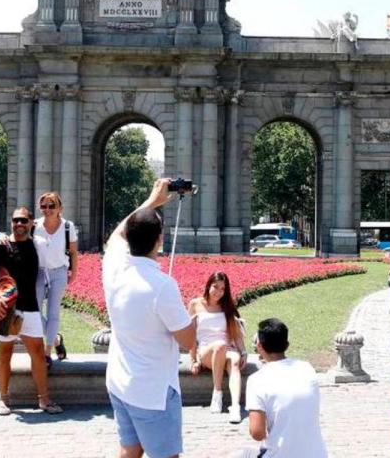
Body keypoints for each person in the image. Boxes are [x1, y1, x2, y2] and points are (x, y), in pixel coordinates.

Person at [104, 178, 197, 458]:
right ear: (160, 239)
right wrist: (195, 312)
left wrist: (151, 201)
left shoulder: (114, 266)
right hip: (152, 391)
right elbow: (187, 339)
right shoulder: (162, 286)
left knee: (130, 449)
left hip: (120, 381)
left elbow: (116, 236)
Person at [0, 206, 62, 415]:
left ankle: (44, 400)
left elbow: (57, 226)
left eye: (23, 220)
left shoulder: (38, 245)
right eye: (15, 220)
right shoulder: (1, 246)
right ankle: (3, 399)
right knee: (4, 354)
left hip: (30, 307)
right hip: (6, 309)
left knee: (38, 354)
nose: (19, 224)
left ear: (31, 222)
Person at [233, 318, 327, 458]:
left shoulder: (257, 380)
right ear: (287, 344)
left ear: (259, 346)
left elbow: (257, 433)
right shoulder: (307, 368)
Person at [188, 272, 247, 423]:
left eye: (222, 289)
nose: (218, 292)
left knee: (234, 361)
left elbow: (236, 333)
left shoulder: (227, 306)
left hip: (227, 348)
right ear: (208, 285)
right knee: (220, 346)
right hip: (207, 350)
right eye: (215, 287)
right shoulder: (195, 304)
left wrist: (244, 352)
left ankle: (235, 406)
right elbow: (191, 334)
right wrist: (193, 359)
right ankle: (217, 392)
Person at [32, 191, 79, 367]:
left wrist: (74, 272)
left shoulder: (68, 226)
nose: (48, 209)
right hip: (38, 272)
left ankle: (47, 351)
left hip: (59, 272)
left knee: (53, 313)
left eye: (52, 205)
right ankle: (57, 339)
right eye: (44, 206)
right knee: (35, 312)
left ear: (60, 208)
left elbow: (73, 252)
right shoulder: (34, 225)